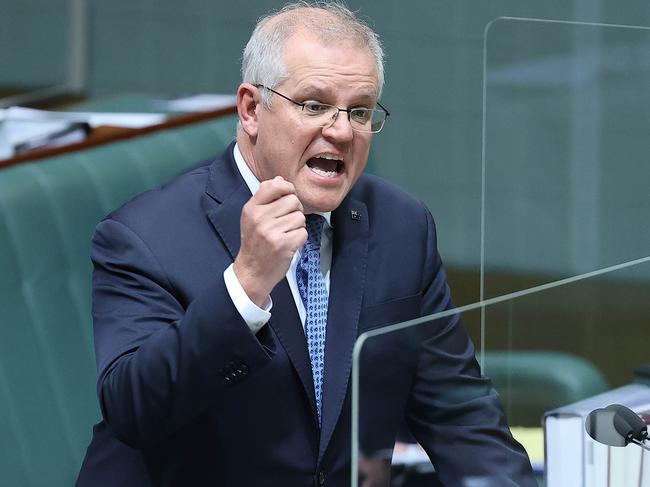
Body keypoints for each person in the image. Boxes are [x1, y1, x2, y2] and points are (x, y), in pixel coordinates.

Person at [77, 2, 536, 486]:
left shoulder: (401, 227)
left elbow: (460, 415)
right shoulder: (144, 235)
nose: (340, 131)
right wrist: (246, 285)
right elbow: (133, 410)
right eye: (314, 105)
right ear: (252, 109)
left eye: (359, 111)